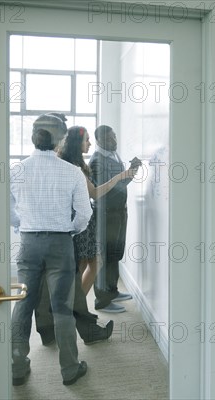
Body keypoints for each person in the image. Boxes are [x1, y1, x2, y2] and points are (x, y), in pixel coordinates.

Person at [35, 125, 138, 343]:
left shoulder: (66, 163)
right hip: (78, 225)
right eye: (87, 140)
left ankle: (73, 311)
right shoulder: (74, 167)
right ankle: (75, 311)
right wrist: (119, 177)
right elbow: (95, 193)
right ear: (76, 143)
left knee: (83, 267)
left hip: (73, 224)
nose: (90, 144)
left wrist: (121, 177)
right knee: (92, 263)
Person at [10, 114, 90, 386]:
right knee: (62, 308)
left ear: (34, 136)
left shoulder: (16, 170)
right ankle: (69, 369)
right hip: (60, 243)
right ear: (61, 139)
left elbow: (7, 208)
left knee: (22, 305)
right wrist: (71, 230)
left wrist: (22, 224)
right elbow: (84, 213)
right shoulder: (72, 172)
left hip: (29, 242)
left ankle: (17, 366)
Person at [90, 125, 141, 313]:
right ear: (99, 140)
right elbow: (104, 190)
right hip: (106, 214)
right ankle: (102, 301)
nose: (114, 141)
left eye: (115, 137)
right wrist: (126, 174)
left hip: (119, 212)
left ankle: (112, 291)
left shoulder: (114, 155)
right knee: (104, 256)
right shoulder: (97, 160)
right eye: (110, 138)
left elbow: (121, 183)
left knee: (115, 254)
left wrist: (132, 170)